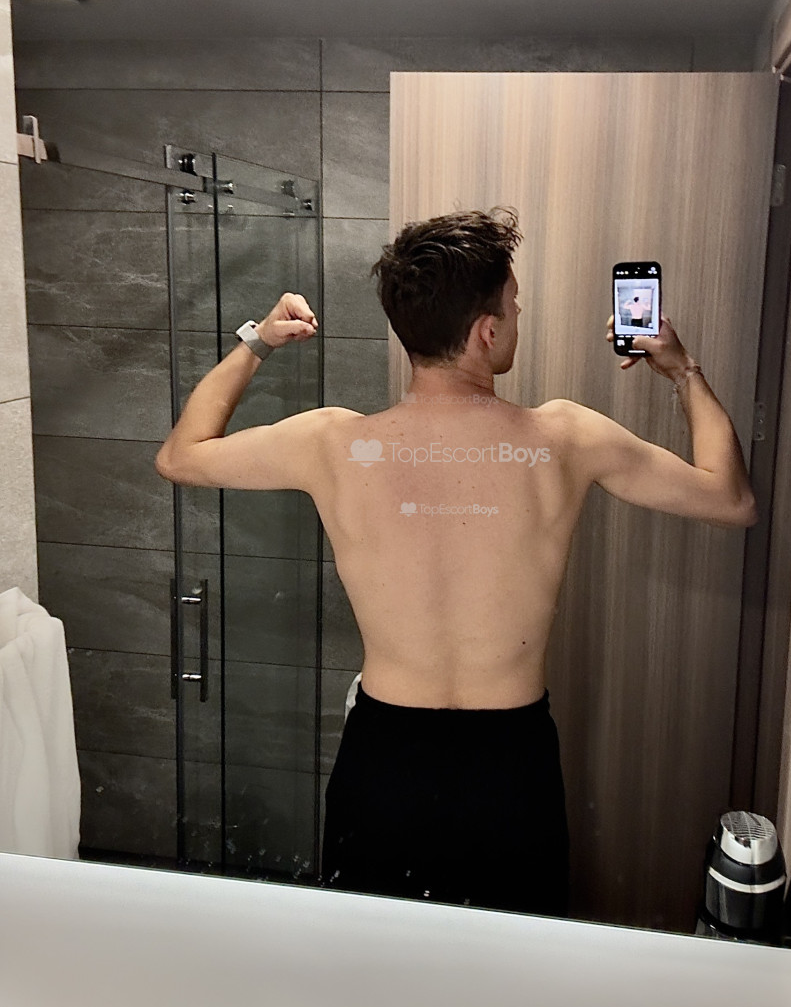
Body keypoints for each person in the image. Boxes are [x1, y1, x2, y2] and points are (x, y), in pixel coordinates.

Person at [155, 207, 757, 919]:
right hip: (510, 768)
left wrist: (258, 340)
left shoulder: (332, 443)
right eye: (513, 304)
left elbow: (180, 455)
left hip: (383, 762)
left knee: (375, 972)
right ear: (486, 331)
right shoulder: (564, 437)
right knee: (507, 975)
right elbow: (730, 499)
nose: (518, 314)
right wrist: (681, 369)